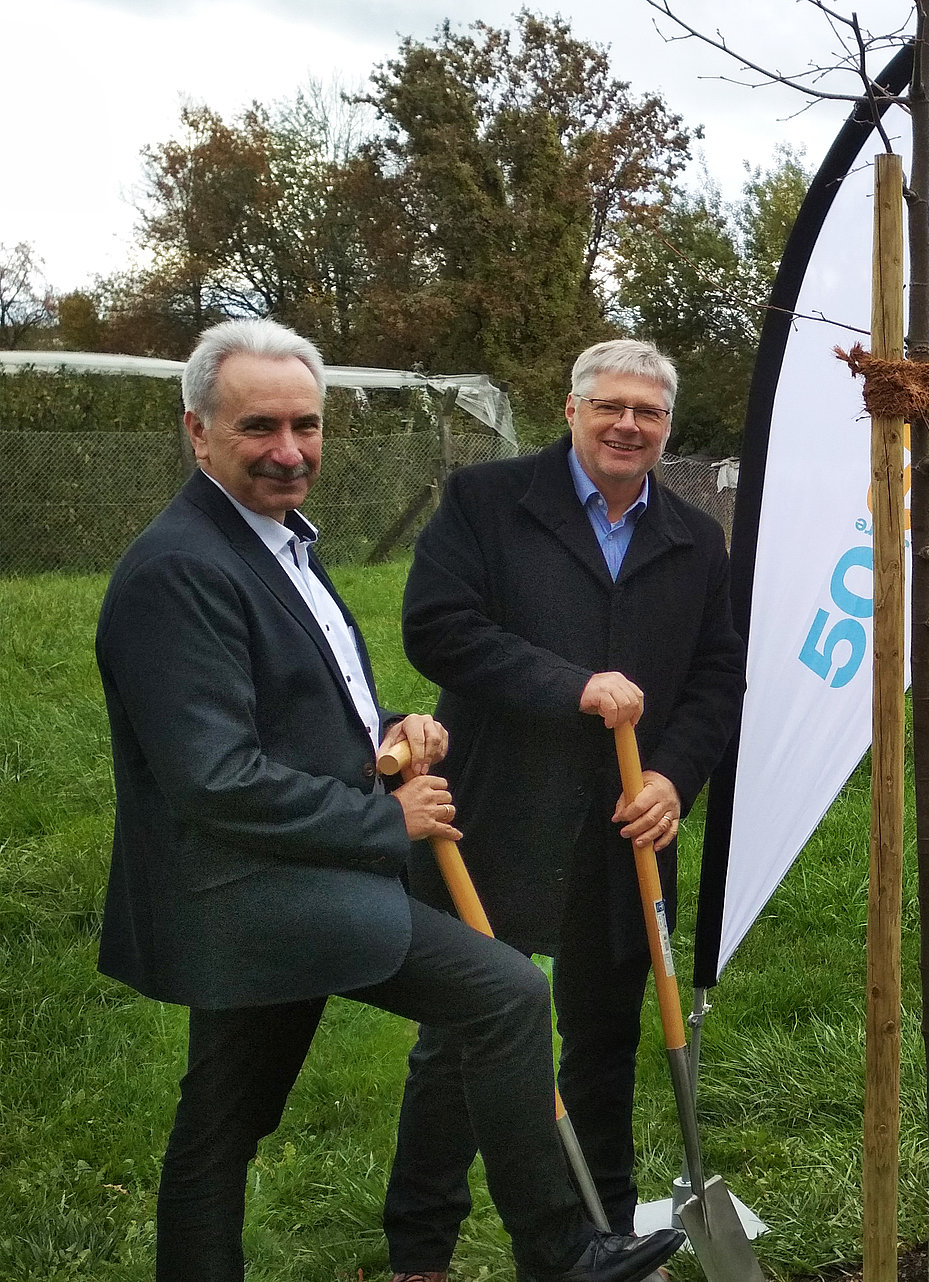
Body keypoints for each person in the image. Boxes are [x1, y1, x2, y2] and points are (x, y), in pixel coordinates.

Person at [95, 318, 680, 1282]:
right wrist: (387, 818)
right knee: (505, 992)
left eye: (307, 426)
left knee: (220, 1126)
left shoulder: (272, 541)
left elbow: (280, 708)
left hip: (283, 877)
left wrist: (386, 737)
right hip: (253, 894)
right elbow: (211, 777)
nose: (290, 451)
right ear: (198, 432)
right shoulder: (181, 569)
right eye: (259, 429)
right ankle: (564, 1249)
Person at [384, 339, 745, 1280]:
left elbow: (716, 679)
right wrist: (571, 685)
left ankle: (602, 1242)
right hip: (497, 821)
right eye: (611, 406)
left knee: (602, 1043)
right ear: (573, 409)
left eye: (650, 413)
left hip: (625, 831)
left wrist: (671, 777)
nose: (630, 425)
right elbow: (439, 628)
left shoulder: (696, 539)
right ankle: (419, 1246)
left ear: (667, 427)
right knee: (464, 1043)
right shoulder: (488, 503)